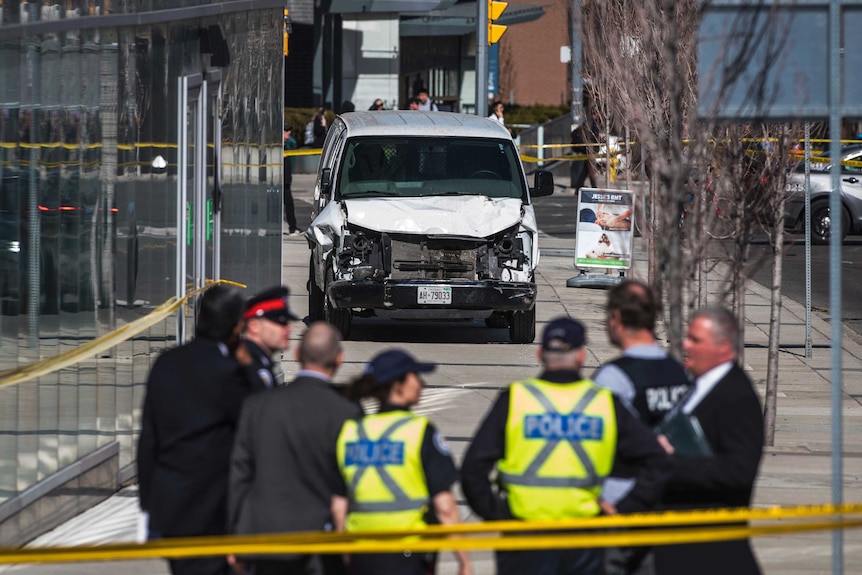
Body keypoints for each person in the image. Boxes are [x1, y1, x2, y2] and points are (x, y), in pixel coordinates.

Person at [461, 316, 672, 575]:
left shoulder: (516, 399)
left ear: (540, 353)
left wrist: (496, 514)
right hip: (583, 538)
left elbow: (473, 468)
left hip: (524, 538)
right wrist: (623, 508)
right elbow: (658, 461)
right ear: (581, 356)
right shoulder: (604, 403)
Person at [229, 321, 362, 575]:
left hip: (265, 535)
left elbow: (240, 476)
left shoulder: (259, 406)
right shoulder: (347, 412)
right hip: (322, 539)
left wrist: (236, 535)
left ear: (298, 354)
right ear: (340, 359)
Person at [137, 284, 252, 575]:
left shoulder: (166, 363)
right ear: (236, 327)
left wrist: (150, 506)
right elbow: (249, 436)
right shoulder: (230, 372)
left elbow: (149, 441)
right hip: (216, 510)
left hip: (172, 506)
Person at [332, 349, 472, 575]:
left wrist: (346, 556)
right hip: (407, 555)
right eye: (415, 376)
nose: (421, 384)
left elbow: (339, 507)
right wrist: (464, 560)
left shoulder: (351, 432)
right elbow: (445, 507)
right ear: (398, 383)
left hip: (360, 554)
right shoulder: (419, 432)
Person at [654, 307, 764, 575]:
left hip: (712, 553)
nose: (685, 346)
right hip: (679, 545)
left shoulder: (737, 396)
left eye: (695, 340)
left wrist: (671, 463)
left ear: (723, 347)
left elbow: (738, 471)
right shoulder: (698, 386)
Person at [592, 280, 692, 575]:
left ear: (617, 319)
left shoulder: (612, 379)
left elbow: (592, 444)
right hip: (666, 504)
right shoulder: (679, 374)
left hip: (618, 505)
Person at [238, 285, 298, 391]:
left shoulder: (258, 361)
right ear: (254, 326)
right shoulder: (248, 368)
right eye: (280, 322)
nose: (288, 328)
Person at [282, 123, 300, 235]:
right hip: (279, 181)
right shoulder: (276, 146)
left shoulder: (287, 145)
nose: (289, 132)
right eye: (286, 130)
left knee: (289, 204)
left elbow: (294, 143)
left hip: (286, 182)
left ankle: (293, 227)